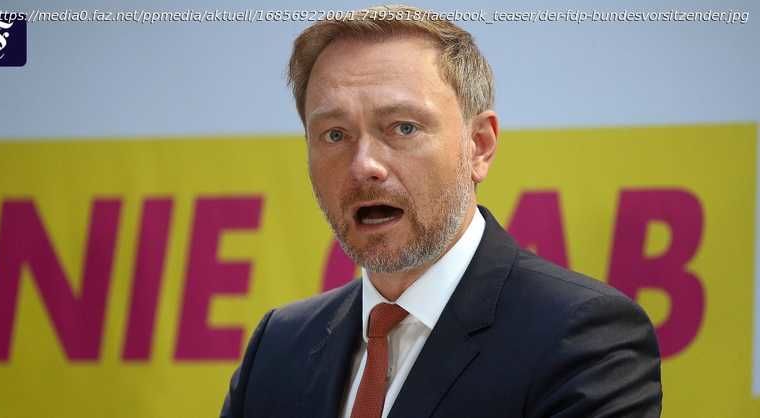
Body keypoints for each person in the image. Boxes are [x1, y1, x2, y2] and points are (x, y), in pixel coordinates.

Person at [220, 4, 662, 418]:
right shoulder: (278, 347)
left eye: (403, 127)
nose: (363, 166)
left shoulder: (581, 337)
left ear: (479, 146)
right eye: (335, 135)